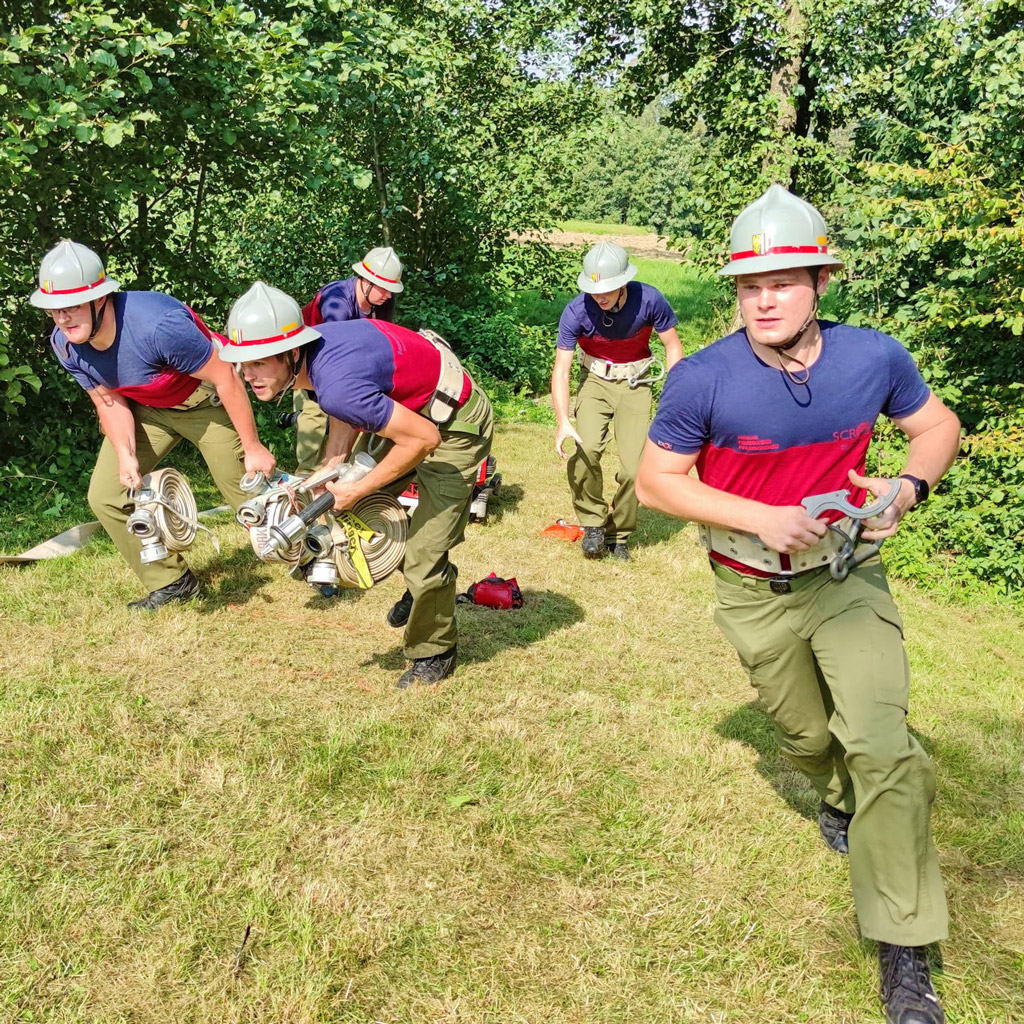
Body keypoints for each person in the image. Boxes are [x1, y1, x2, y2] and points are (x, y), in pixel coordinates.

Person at [636, 184, 960, 1024]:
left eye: (783, 281)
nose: (765, 299)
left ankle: (903, 948)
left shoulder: (873, 358)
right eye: (750, 286)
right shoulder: (701, 380)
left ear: (821, 281)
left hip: (847, 577)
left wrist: (907, 486)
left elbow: (938, 427)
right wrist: (760, 517)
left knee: (883, 744)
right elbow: (656, 483)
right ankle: (834, 792)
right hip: (751, 590)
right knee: (812, 740)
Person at [219, 281, 493, 689]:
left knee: (424, 552)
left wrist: (357, 489)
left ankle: (435, 650)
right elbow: (346, 412)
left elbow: (423, 439)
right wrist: (332, 467)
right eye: (243, 363)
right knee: (347, 503)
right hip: (416, 415)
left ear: (292, 352)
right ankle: (425, 589)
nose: (247, 374)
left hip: (454, 426)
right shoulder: (320, 358)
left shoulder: (335, 383)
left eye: (259, 362)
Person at [29, 239, 275, 610]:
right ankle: (173, 582)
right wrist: (127, 455)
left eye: (72, 306)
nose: (63, 318)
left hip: (203, 403)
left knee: (245, 491)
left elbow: (226, 378)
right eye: (54, 310)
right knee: (106, 495)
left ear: (100, 300)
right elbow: (107, 401)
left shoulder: (158, 325)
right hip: (148, 408)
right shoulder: (65, 345)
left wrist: (253, 447)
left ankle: (309, 552)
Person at [551, 241, 682, 560]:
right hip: (594, 382)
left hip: (636, 383)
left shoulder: (650, 300)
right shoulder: (576, 311)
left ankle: (618, 534)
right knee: (587, 452)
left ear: (624, 281)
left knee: (635, 468)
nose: (601, 295)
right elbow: (562, 369)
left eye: (608, 288)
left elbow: (674, 348)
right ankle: (593, 523)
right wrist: (563, 421)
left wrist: (675, 397)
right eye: (595, 289)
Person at [290, 246, 405, 473]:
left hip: (349, 362)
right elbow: (335, 349)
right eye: (384, 288)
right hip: (307, 361)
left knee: (354, 411)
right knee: (315, 413)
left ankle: (344, 471)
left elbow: (379, 338)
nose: (389, 295)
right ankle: (307, 476)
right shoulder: (336, 299)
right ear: (366, 280)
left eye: (392, 290)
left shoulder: (384, 302)